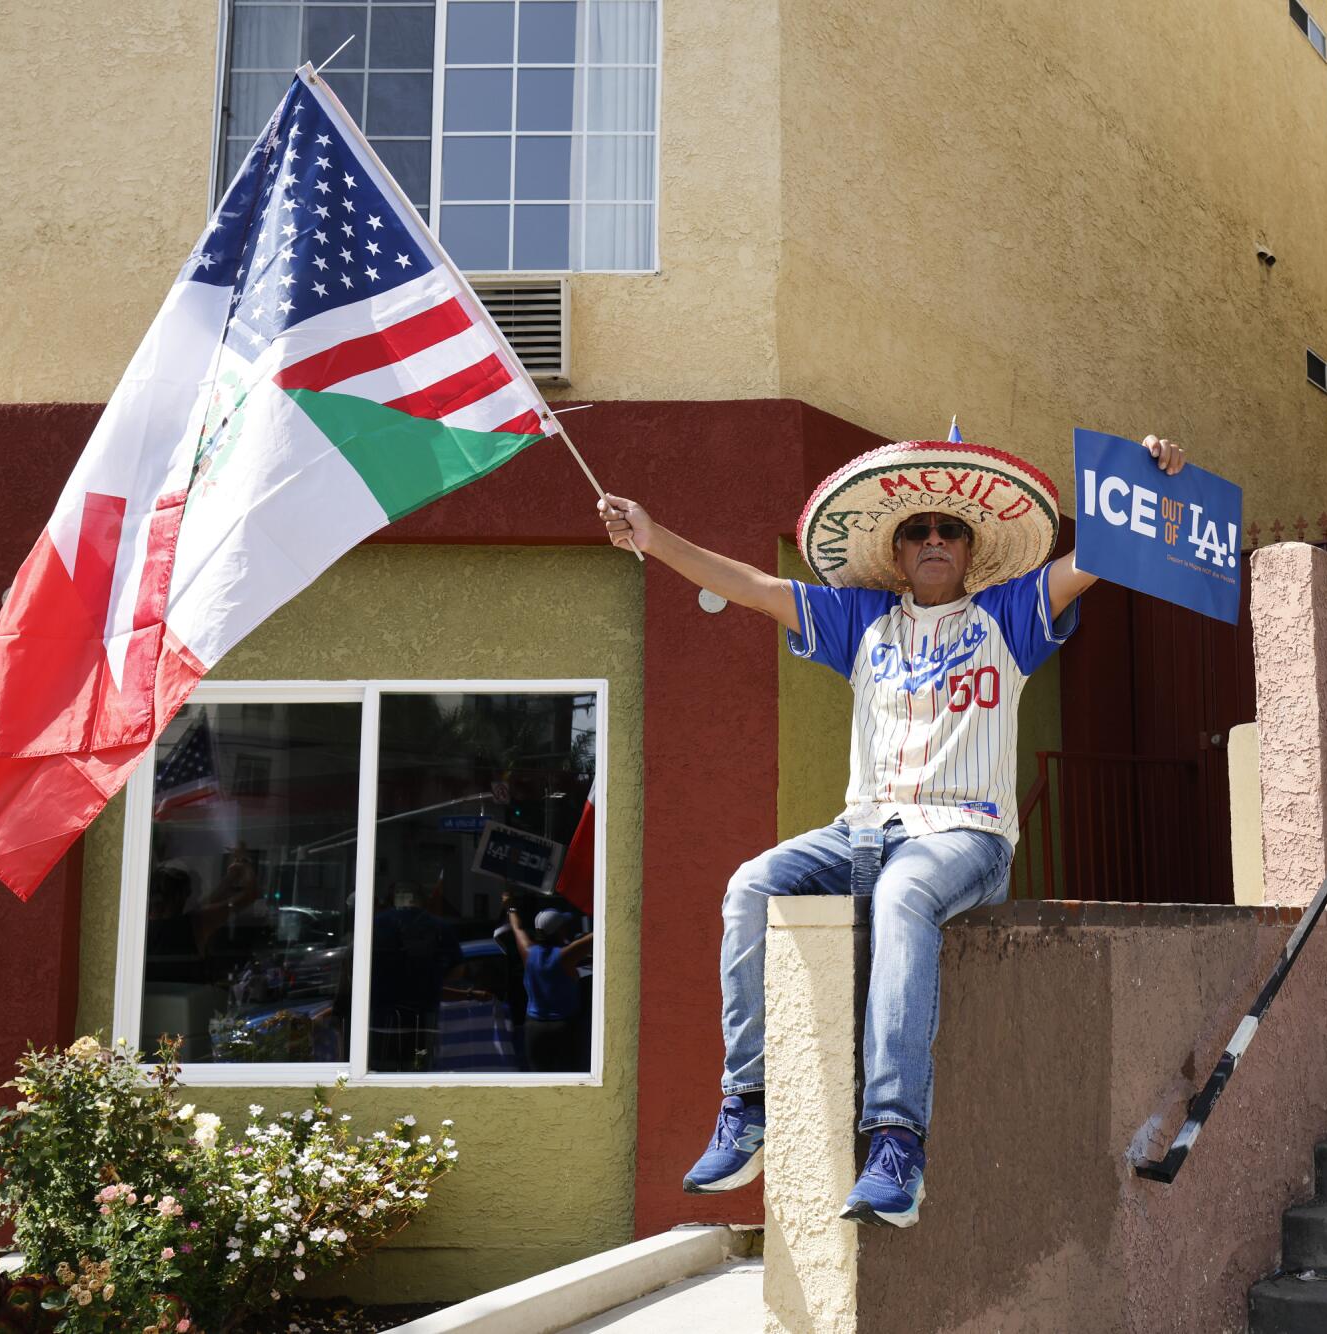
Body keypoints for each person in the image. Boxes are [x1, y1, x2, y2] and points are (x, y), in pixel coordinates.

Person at [597, 430, 1184, 1227]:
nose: (935, 539)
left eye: (950, 530)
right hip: (861, 830)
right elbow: (750, 585)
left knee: (905, 895)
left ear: (971, 550)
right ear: (900, 553)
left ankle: (897, 1146)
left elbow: (1101, 557)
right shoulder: (859, 620)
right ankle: (749, 1105)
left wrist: (1152, 478)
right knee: (748, 884)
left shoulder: (1008, 613)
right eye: (919, 531)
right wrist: (653, 536)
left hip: (966, 836)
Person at [506, 901, 592, 1071]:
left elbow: (517, 928)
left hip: (534, 1029)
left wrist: (510, 907)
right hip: (565, 1029)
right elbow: (600, 934)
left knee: (541, 1081)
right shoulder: (565, 955)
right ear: (559, 930)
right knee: (571, 1080)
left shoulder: (528, 953)